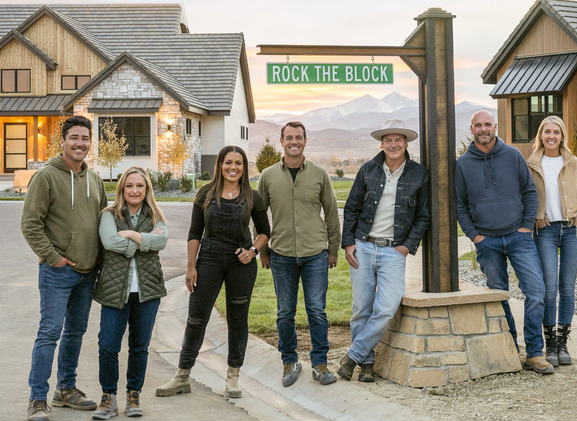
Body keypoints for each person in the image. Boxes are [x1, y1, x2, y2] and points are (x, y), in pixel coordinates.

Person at [156, 146, 269, 398]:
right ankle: (182, 375)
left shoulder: (253, 196)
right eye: (228, 162)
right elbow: (195, 232)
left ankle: (232, 378)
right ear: (219, 164)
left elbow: (264, 232)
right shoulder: (205, 193)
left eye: (238, 163)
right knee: (196, 318)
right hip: (209, 259)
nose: (233, 167)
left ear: (244, 166)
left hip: (241, 263)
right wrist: (190, 266)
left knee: (238, 320)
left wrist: (252, 251)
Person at [21, 115, 107, 421]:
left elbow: (104, 222)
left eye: (85, 138)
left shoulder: (95, 179)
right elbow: (30, 223)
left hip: (88, 272)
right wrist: (52, 257)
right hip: (58, 272)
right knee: (49, 333)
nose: (80, 143)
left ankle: (66, 389)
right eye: (74, 138)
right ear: (63, 141)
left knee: (75, 332)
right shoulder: (46, 177)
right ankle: (37, 398)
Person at [455, 110, 553, 374]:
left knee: (536, 293)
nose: (483, 129)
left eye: (488, 124)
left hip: (518, 238)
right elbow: (460, 205)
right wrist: (475, 236)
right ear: (472, 128)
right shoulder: (462, 164)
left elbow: (529, 192)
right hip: (487, 242)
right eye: (478, 125)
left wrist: (524, 227)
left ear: (495, 126)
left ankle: (534, 352)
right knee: (499, 297)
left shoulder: (512, 155)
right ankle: (510, 348)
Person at [338, 120, 430, 382]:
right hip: (364, 246)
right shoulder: (368, 170)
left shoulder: (418, 174)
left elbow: (423, 216)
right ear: (382, 143)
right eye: (388, 140)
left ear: (406, 143)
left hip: (393, 251)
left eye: (398, 140)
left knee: (387, 307)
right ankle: (366, 365)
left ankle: (352, 357)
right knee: (361, 309)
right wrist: (349, 243)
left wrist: (406, 247)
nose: (393, 144)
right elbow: (352, 208)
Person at [257, 121, 341, 386]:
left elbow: (331, 213)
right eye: (289, 137)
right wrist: (263, 250)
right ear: (282, 141)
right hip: (281, 255)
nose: (294, 141)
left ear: (306, 141)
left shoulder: (319, 174)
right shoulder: (268, 176)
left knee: (317, 310)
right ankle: (289, 361)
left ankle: (320, 363)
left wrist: (333, 248)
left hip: (315, 253)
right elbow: (258, 217)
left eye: (299, 137)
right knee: (284, 312)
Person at [92, 167, 168, 420]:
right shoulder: (109, 215)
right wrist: (144, 242)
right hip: (115, 291)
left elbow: (162, 242)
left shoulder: (155, 214)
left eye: (140, 186)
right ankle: (108, 397)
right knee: (107, 346)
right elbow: (109, 242)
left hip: (147, 292)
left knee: (139, 347)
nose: (135, 191)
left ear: (146, 190)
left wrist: (133, 234)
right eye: (129, 186)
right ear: (122, 188)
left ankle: (133, 395)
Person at [527, 116, 577, 367]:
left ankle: (563, 342)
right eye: (547, 132)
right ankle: (549, 343)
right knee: (549, 288)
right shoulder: (531, 164)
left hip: (571, 230)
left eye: (556, 132)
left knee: (567, 287)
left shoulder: (574, 163)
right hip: (545, 230)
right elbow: (525, 195)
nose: (551, 136)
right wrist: (535, 217)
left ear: (562, 135)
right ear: (541, 135)